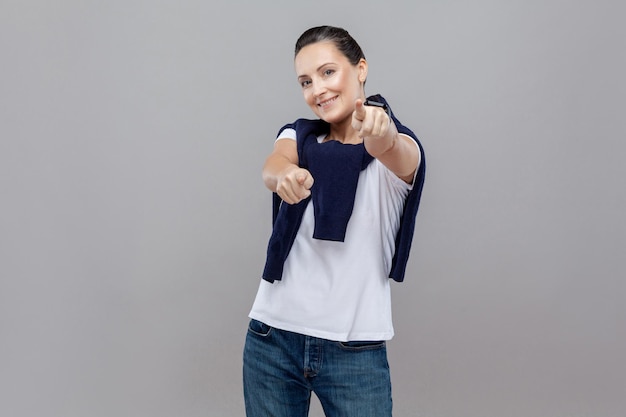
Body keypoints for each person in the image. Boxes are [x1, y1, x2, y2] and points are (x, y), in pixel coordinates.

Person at [243, 25, 426, 417]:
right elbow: (273, 166)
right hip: (272, 338)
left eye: (328, 72)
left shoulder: (399, 147)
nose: (317, 90)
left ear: (360, 69)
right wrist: (283, 177)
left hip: (353, 350)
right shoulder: (300, 135)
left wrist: (382, 130)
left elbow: (390, 147)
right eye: (306, 81)